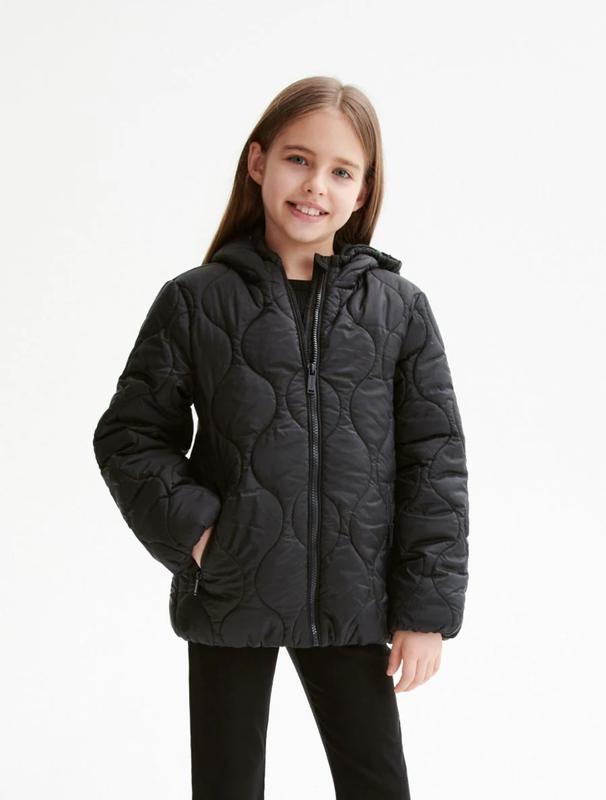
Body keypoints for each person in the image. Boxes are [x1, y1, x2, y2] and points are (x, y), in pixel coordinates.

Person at [92, 75, 470, 800]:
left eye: (340, 171)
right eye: (299, 160)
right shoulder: (196, 300)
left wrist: (425, 613)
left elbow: (434, 462)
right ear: (258, 162)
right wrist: (204, 537)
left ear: (362, 192)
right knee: (227, 785)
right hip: (232, 589)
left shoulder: (398, 310)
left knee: (377, 784)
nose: (315, 186)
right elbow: (130, 436)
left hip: (354, 598)